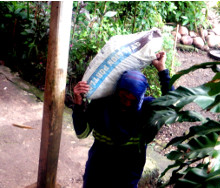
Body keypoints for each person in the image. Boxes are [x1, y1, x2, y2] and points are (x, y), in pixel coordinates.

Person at [71, 52, 171, 187]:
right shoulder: (101, 105)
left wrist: (162, 69)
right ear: (117, 92)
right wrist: (78, 105)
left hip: (127, 179)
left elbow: (174, 103)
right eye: (123, 97)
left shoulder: (147, 111)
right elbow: (81, 133)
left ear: (141, 98)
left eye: (132, 100)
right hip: (97, 176)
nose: (127, 104)